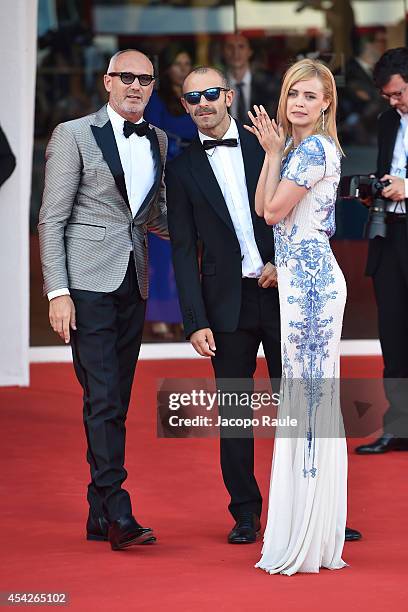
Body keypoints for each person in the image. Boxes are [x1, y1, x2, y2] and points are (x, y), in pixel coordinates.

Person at [38, 49, 168, 550]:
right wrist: (58, 292)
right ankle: (118, 510)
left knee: (113, 400)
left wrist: (204, 237)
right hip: (87, 285)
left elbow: (148, 217)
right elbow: (52, 218)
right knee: (105, 396)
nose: (136, 86)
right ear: (107, 82)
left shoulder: (156, 138)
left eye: (145, 79)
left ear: (153, 87)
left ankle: (98, 511)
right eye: (127, 77)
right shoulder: (73, 134)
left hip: (133, 282)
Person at [166, 66, 282, 544]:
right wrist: (193, 320)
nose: (203, 103)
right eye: (193, 97)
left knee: (305, 405)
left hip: (281, 292)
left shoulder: (267, 143)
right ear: (185, 106)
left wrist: (286, 264)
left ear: (230, 96)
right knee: (235, 412)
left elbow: (302, 215)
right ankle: (245, 513)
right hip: (225, 303)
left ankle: (319, 512)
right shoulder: (181, 165)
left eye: (211, 93)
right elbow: (181, 246)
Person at [246, 58, 349, 575]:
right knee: (306, 401)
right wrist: (270, 155)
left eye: (310, 95)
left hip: (312, 289)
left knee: (308, 404)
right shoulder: (292, 149)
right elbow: (268, 208)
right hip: (299, 284)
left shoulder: (313, 148)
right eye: (293, 95)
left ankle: (308, 529)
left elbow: (269, 212)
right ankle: (306, 525)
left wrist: (272, 155)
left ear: (326, 102)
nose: (300, 104)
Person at [356, 47, 408, 455]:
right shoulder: (388, 120)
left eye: (399, 94)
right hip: (390, 236)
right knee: (393, 336)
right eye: (388, 96)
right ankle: (399, 426)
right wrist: (374, 189)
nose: (393, 102)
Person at [144, 45, 197, 339]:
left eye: (187, 62)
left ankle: (182, 316)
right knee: (163, 255)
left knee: (186, 255)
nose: (183, 68)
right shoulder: (157, 100)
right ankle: (161, 317)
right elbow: (155, 135)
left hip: (191, 184)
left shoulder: (195, 99)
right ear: (166, 69)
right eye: (178, 63)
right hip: (164, 184)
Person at [223, 34, 278, 124]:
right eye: (230, 47)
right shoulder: (217, 84)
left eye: (241, 47)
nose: (236, 52)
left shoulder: (269, 84)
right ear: (224, 51)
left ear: (250, 51)